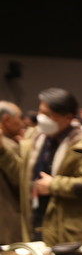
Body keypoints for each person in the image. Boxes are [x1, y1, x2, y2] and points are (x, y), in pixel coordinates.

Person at [0, 88, 82, 252]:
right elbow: (22, 176)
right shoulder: (35, 140)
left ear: (67, 118)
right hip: (37, 222)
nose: (41, 118)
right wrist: (2, 151)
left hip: (70, 231)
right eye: (41, 112)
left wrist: (53, 185)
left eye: (48, 114)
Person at [0, 101, 24, 244]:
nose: (22, 123)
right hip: (6, 224)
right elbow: (22, 180)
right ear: (7, 119)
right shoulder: (8, 146)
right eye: (19, 118)